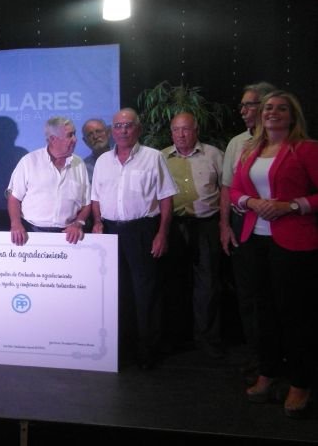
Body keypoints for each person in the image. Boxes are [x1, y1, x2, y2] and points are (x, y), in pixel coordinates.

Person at [230, 90, 318, 418]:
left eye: (281, 108)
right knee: (262, 313)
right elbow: (236, 191)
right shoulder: (250, 150)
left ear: (292, 116)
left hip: (294, 242)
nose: (272, 112)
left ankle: (300, 382)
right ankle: (268, 372)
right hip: (255, 240)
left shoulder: (306, 149)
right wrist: (251, 202)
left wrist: (292, 206)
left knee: (295, 315)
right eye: (268, 107)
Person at [90, 108, 177, 369]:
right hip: (110, 233)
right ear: (112, 131)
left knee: (145, 292)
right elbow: (96, 198)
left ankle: (148, 351)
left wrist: (162, 233)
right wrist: (97, 221)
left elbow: (166, 198)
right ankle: (122, 350)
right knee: (117, 292)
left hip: (143, 231)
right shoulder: (103, 161)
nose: (123, 130)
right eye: (118, 126)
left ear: (138, 129)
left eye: (128, 125)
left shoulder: (153, 157)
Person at [219, 81, 276, 373]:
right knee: (248, 295)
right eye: (241, 106)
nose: (242, 111)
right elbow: (227, 189)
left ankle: (281, 363)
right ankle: (259, 358)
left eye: (248, 105)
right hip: (244, 225)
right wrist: (225, 225)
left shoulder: (290, 143)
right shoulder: (237, 143)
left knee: (277, 298)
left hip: (282, 226)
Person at [162, 112, 224, 358]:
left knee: (207, 284)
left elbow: (227, 190)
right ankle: (177, 338)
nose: (181, 134)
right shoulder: (160, 157)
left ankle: (207, 339)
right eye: (176, 130)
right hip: (173, 226)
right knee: (174, 284)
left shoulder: (214, 154)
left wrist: (225, 224)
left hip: (206, 225)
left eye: (186, 129)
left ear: (196, 130)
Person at [7, 116, 90, 246]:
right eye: (70, 135)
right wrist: (16, 224)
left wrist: (78, 223)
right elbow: (14, 198)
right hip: (30, 234)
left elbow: (86, 203)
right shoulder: (29, 161)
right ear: (52, 139)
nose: (75, 139)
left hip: (67, 236)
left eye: (74, 134)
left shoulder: (79, 164)